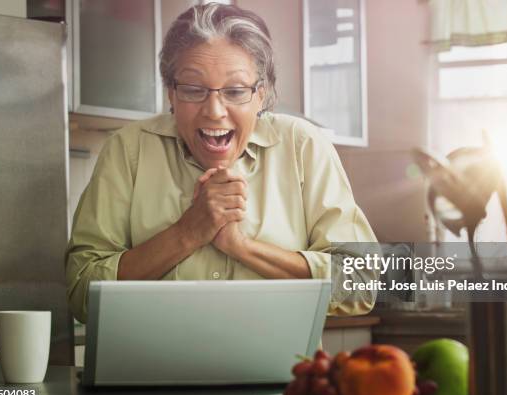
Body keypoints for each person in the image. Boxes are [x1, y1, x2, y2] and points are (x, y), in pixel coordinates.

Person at [65, 3, 378, 323]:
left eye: (235, 91)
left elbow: (365, 283)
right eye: (192, 89)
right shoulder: (129, 149)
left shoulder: (303, 147)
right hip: (150, 374)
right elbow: (80, 293)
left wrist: (242, 247)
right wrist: (188, 232)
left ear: (262, 94)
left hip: (284, 373)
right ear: (171, 93)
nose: (214, 110)